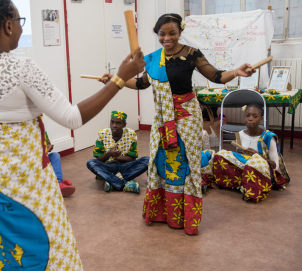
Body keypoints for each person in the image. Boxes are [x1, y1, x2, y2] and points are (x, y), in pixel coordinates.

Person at [0, 0, 145, 269]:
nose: (21, 30)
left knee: (1, 243)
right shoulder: (22, 68)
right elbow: (72, 117)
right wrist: (120, 78)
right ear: (8, 26)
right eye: (21, 23)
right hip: (24, 175)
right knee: (43, 239)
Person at [101, 13, 253, 235]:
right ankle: (162, 212)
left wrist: (236, 72)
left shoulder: (192, 54)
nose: (167, 38)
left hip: (187, 117)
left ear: (180, 32)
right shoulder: (153, 59)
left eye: (172, 33)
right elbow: (142, 83)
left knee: (186, 163)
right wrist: (116, 80)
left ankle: (187, 218)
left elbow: (216, 75)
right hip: (162, 119)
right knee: (159, 160)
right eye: (162, 34)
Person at [212, 104, 290, 202]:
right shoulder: (240, 134)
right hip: (246, 169)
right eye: (247, 116)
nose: (250, 119)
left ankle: (251, 191)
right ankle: (240, 184)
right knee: (220, 155)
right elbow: (239, 160)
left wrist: (258, 156)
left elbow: (275, 166)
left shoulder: (268, 137)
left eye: (255, 116)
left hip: (262, 171)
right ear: (244, 117)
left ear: (261, 119)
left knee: (253, 163)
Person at [86, 111, 149, 193]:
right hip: (108, 166)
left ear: (124, 125)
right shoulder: (102, 134)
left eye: (118, 123)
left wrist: (117, 157)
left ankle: (111, 181)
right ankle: (124, 183)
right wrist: (109, 154)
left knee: (147, 160)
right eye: (112, 122)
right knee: (91, 162)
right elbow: (99, 159)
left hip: (125, 166)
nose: (114, 125)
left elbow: (133, 158)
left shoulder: (131, 134)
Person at [45, 131, 76, 197]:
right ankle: (59, 183)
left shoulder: (43, 131)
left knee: (55, 155)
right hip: (35, 161)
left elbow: (49, 149)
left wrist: (49, 147)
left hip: (44, 157)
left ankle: (58, 181)